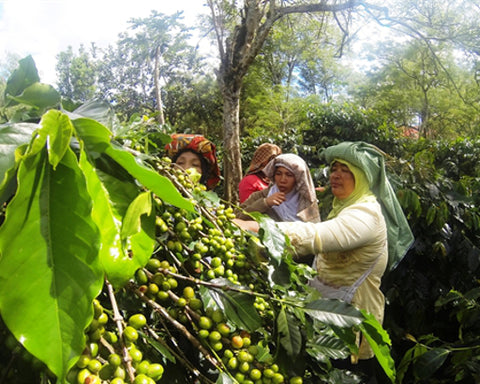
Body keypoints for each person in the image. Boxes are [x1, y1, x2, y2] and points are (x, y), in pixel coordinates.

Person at [234, 141, 414, 382]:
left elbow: (316, 236)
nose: (336, 175)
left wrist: (256, 227)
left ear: (363, 176)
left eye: (345, 170)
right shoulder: (346, 206)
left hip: (351, 321)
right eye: (334, 168)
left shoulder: (367, 215)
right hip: (325, 312)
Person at [236, 153, 320, 223]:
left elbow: (314, 231)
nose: (282, 180)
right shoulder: (261, 196)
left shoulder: (306, 202)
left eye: (289, 175)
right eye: (278, 174)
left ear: (297, 179)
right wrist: (265, 203)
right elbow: (237, 217)